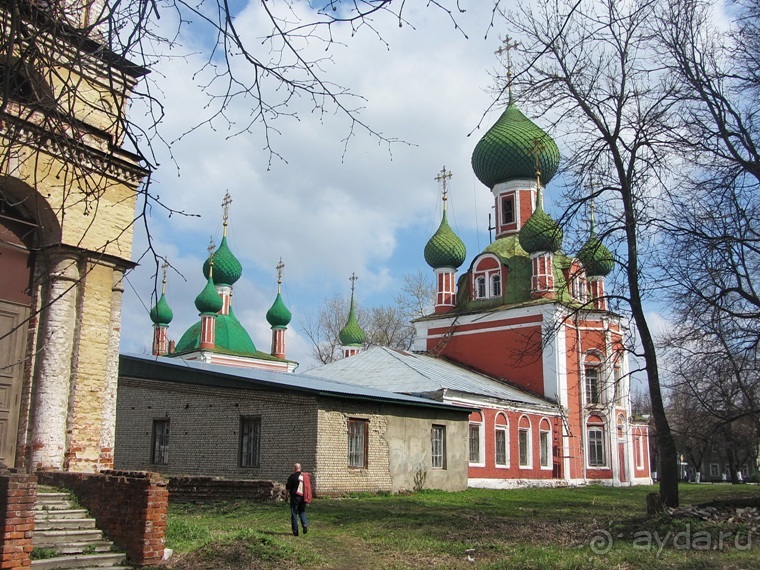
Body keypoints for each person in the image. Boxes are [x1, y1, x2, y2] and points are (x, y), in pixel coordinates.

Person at [286, 463, 312, 536]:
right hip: (303, 497)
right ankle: (304, 524)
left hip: (295, 497)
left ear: (294, 468)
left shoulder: (292, 476)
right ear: (300, 468)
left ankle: (295, 533)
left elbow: (288, 488)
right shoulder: (304, 477)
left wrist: (286, 497)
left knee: (294, 513)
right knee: (302, 511)